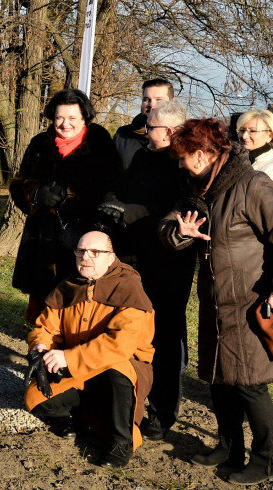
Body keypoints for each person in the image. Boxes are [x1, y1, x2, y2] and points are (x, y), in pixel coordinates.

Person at [159, 118, 273, 485]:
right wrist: (180, 231)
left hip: (249, 301)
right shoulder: (196, 188)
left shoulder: (253, 185)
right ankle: (229, 447)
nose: (180, 164)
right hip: (214, 300)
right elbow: (167, 227)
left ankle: (266, 460)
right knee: (219, 377)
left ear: (203, 154)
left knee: (249, 383)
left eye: (183, 157)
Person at [96, 100, 195, 441]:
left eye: (150, 126)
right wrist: (110, 202)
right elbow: (121, 185)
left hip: (168, 265)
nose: (145, 130)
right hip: (133, 259)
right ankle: (127, 402)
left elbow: (174, 211)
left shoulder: (183, 165)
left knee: (163, 338)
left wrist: (128, 212)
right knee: (127, 331)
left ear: (170, 132)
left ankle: (162, 412)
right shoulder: (143, 156)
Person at [25, 231, 154, 468]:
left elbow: (119, 345)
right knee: (36, 398)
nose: (85, 257)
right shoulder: (69, 285)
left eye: (95, 252)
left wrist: (67, 357)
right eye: (81, 251)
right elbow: (45, 328)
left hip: (119, 370)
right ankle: (78, 418)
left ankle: (121, 443)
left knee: (117, 369)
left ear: (111, 257)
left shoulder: (129, 288)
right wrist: (40, 347)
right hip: (78, 370)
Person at [9, 88, 121, 322]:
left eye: (72, 118)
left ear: (84, 117)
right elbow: (18, 184)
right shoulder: (39, 144)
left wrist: (73, 196)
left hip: (83, 235)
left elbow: (112, 185)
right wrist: (36, 194)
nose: (65, 124)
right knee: (42, 298)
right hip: (43, 235)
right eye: (59, 117)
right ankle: (41, 337)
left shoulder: (100, 144)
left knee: (78, 298)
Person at [114, 79, 173, 170]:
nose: (151, 105)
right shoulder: (122, 135)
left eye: (159, 100)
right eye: (146, 100)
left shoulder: (182, 138)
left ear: (172, 103)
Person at [236, 109, 273, 204]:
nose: (244, 136)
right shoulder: (234, 164)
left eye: (252, 131)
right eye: (242, 130)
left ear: (270, 136)